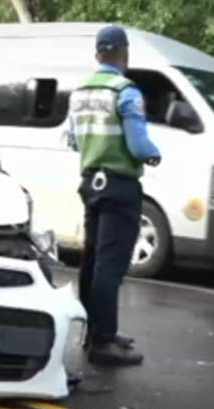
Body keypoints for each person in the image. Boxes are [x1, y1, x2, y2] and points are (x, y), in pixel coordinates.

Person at [67, 25, 162, 365]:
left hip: (91, 183)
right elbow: (138, 144)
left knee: (91, 262)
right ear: (124, 54)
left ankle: (95, 333)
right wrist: (153, 153)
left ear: (98, 54)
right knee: (111, 266)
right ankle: (104, 343)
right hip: (120, 186)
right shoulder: (126, 91)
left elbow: (73, 141)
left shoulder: (78, 92)